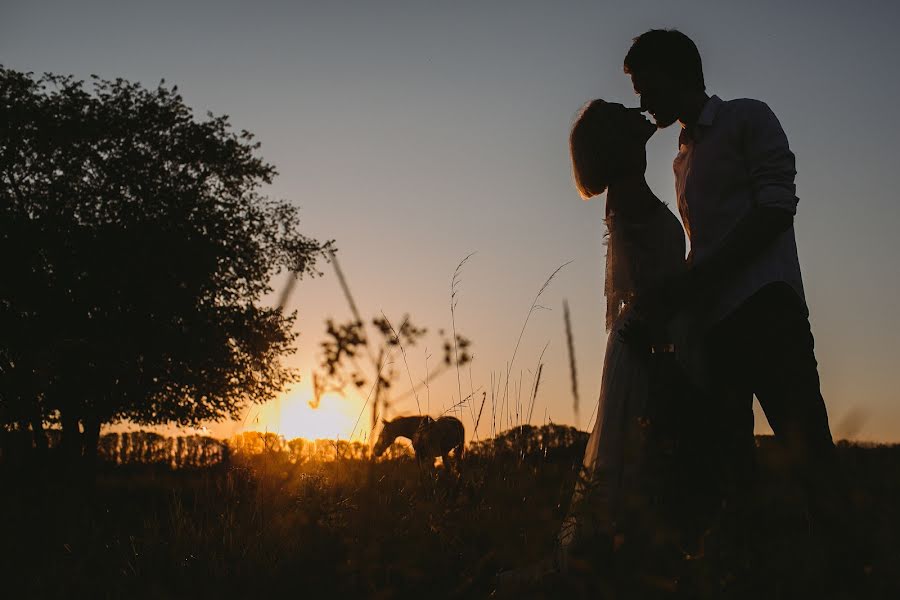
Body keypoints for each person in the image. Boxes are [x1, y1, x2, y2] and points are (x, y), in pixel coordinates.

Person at [622, 28, 852, 585]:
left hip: (768, 311)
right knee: (731, 465)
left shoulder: (748, 117)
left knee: (806, 449)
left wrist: (693, 280)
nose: (642, 100)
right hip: (715, 330)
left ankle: (851, 571)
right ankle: (753, 576)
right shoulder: (680, 161)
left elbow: (776, 208)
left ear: (676, 72)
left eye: (645, 85)